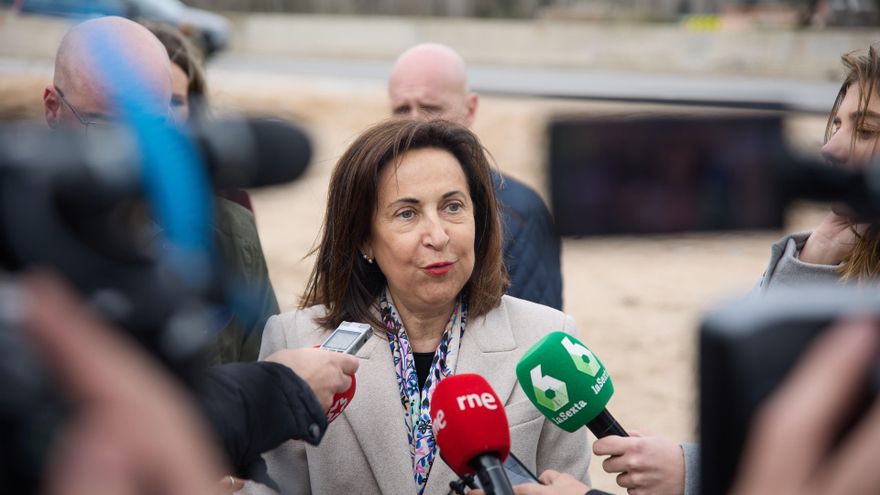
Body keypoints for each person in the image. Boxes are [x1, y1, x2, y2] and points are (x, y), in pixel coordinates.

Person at [39, 16, 357, 486]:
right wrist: (270, 393)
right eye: (105, 126)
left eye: (152, 126)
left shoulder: (225, 228)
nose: (134, 151)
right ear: (52, 108)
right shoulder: (22, 234)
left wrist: (241, 480)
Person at [243, 119, 591, 495]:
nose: (438, 236)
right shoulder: (296, 340)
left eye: (453, 207)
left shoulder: (546, 339)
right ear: (363, 239)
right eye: (407, 213)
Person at [591, 44, 880, 495]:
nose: (831, 146)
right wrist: (814, 257)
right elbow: (764, 407)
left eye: (866, 130)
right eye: (838, 123)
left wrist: (689, 470)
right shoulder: (840, 247)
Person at [388, 43, 564, 310]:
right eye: (402, 110)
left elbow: (539, 331)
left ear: (469, 109)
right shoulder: (372, 199)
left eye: (430, 108)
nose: (414, 124)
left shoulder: (519, 212)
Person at [146, 22, 280, 365]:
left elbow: (260, 345)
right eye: (146, 101)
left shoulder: (230, 210)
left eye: (174, 101)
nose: (161, 117)